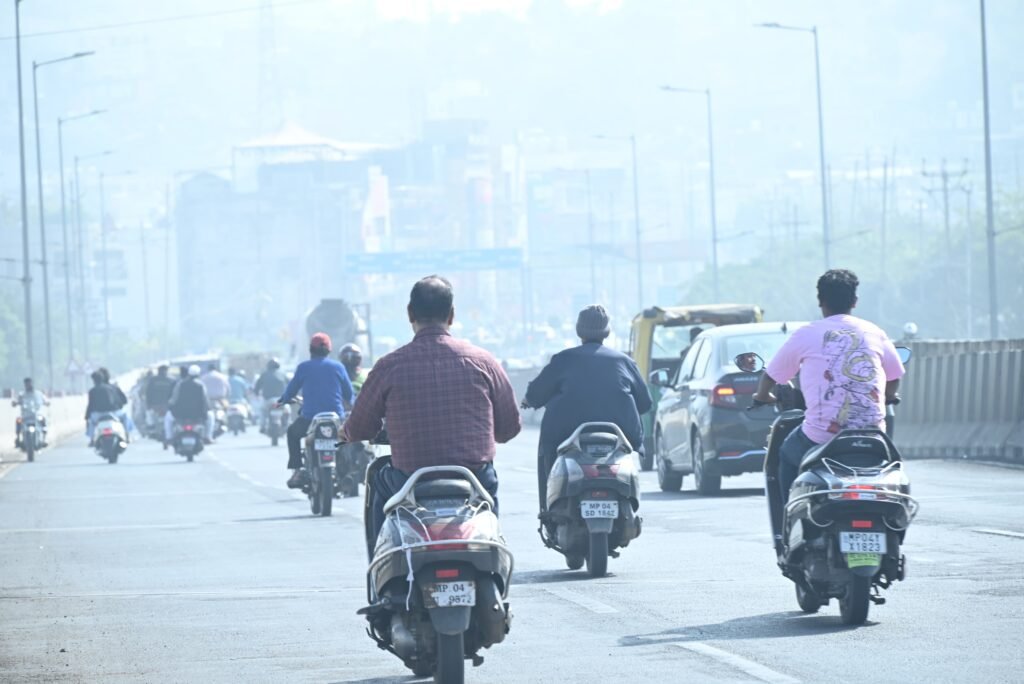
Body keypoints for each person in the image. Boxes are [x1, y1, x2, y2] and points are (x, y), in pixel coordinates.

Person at [344, 276, 521, 543]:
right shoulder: (483, 361)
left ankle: (381, 566)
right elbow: (508, 428)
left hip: (407, 480)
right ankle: (492, 550)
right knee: (489, 498)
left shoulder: (389, 366)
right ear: (451, 316)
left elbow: (359, 428)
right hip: (475, 479)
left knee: (378, 476)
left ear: (410, 314)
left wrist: (344, 433)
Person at [752, 269, 906, 502]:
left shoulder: (806, 334)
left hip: (821, 436)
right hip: (873, 435)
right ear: (854, 301)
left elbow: (770, 377)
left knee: (785, 454)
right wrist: (887, 396)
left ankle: (787, 519)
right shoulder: (874, 332)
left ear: (820, 301)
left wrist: (763, 396)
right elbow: (894, 377)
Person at [523, 304, 652, 522]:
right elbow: (645, 403)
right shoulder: (625, 362)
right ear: (607, 331)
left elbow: (536, 394)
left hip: (564, 434)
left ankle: (549, 510)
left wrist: (528, 400)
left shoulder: (563, 360)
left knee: (547, 452)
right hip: (622, 434)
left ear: (578, 330)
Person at [277, 333, 355, 489]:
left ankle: (297, 470)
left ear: (310, 350)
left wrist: (284, 399)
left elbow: (291, 391)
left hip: (309, 419)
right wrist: (351, 405)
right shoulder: (338, 367)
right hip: (336, 418)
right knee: (346, 437)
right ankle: (347, 473)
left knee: (292, 433)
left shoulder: (303, 367)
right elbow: (349, 394)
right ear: (329, 350)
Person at [166, 365, 212, 443]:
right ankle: (208, 437)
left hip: (181, 414)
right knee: (211, 416)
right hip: (198, 414)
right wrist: (209, 408)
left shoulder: (180, 384)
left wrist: (169, 405)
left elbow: (174, 399)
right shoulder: (201, 385)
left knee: (168, 418)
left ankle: (169, 437)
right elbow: (205, 399)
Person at [85, 371, 123, 444]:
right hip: (112, 413)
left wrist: (86, 416)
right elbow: (117, 401)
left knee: (92, 422)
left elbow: (90, 405)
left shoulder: (92, 391)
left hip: (98, 414)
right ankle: (125, 436)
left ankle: (92, 439)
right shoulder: (110, 388)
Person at [14, 377, 49, 448]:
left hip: (36, 414)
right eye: (27, 384)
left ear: (32, 384)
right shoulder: (22, 394)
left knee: (43, 419)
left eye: (29, 383)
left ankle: (45, 439)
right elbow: (17, 400)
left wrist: (47, 402)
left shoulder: (38, 393)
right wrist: (15, 402)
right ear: (25, 385)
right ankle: (18, 438)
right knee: (18, 420)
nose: (28, 385)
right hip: (25, 415)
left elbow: (45, 399)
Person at [254, 358, 288, 431]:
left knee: (262, 411)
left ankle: (262, 427)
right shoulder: (282, 374)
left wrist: (256, 393)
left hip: (268, 400)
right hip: (281, 400)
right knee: (287, 410)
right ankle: (287, 425)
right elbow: (291, 385)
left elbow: (257, 386)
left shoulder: (264, 374)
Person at [145, 365, 176, 432]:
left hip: (159, 406)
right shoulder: (172, 380)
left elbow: (148, 393)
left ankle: (151, 428)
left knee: (149, 416)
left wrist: (148, 404)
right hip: (164, 406)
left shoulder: (153, 380)